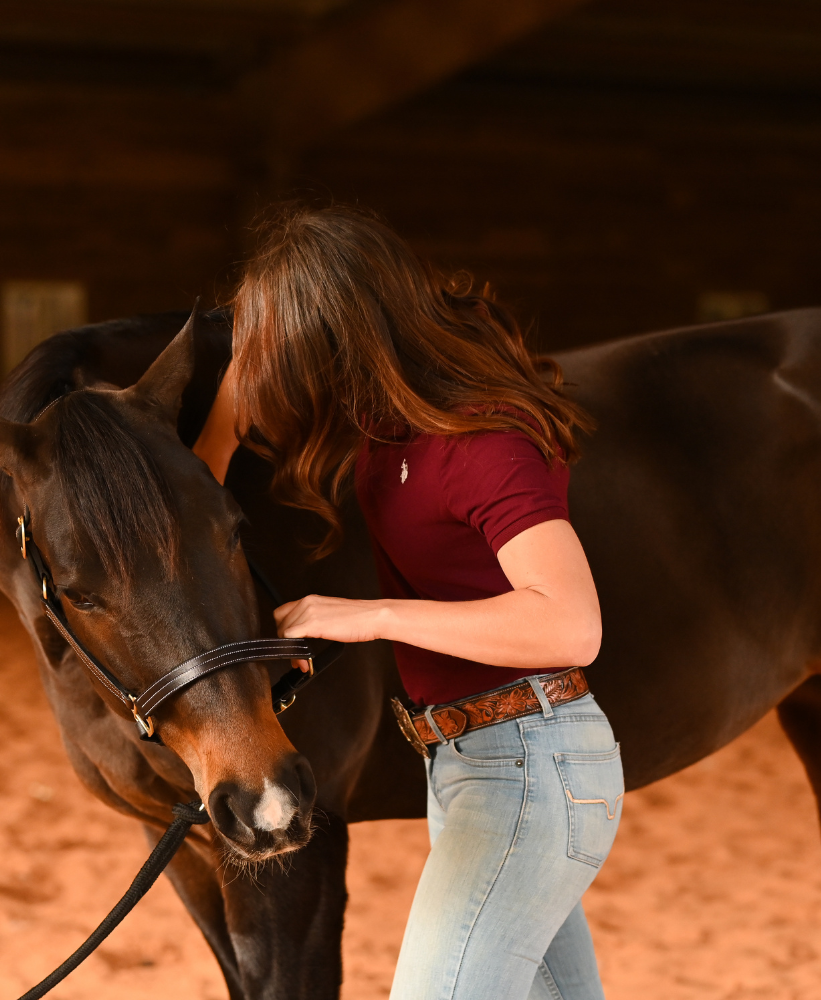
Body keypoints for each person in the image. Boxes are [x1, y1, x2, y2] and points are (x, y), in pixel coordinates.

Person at [193, 204, 624, 1000]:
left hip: (533, 765)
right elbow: (199, 481)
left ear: (337, 336)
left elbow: (572, 622)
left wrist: (373, 615)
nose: (266, 373)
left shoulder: (478, 441)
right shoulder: (385, 432)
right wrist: (237, 368)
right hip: (469, 766)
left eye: (277, 347)